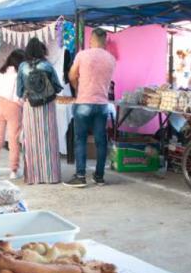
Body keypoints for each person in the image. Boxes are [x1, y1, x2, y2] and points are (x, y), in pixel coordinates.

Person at [65, 28, 116, 188]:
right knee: (101, 141)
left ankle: (80, 176)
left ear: (91, 40)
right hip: (102, 104)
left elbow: (72, 75)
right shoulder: (111, 59)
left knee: (80, 140)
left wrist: (77, 86)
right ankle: (99, 176)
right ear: (105, 41)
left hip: (84, 101)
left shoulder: (82, 55)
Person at [16, 37, 63, 184]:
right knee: (49, 141)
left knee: (31, 141)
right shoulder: (47, 66)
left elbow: (19, 91)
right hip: (47, 106)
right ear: (42, 50)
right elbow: (57, 86)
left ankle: (32, 177)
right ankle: (51, 176)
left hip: (30, 106)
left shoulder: (22, 67)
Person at [0, 49, 25, 180]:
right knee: (13, 140)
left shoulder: (1, 72)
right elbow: (19, 95)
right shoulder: (19, 74)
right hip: (13, 106)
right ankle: (14, 170)